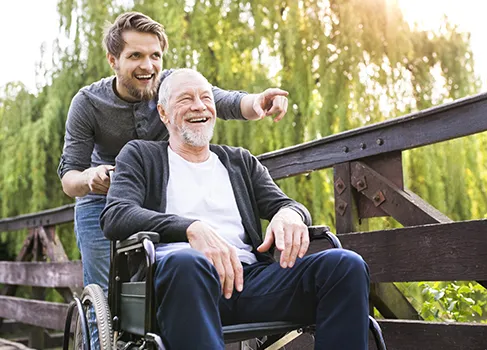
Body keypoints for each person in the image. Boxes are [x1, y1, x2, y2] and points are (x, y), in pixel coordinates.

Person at [100, 69, 370, 350]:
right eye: (186, 99)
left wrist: (290, 214)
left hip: (249, 282)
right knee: (187, 263)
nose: (199, 105)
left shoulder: (240, 161)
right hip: (180, 283)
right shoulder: (140, 156)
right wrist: (191, 228)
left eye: (206, 98)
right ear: (164, 113)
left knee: (345, 266)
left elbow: (285, 204)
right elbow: (116, 215)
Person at [57, 12, 290, 293]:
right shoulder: (87, 103)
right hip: (102, 201)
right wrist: (90, 178)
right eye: (135, 56)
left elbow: (224, 101)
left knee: (160, 281)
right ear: (112, 60)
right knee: (105, 293)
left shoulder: (172, 86)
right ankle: (103, 334)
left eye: (155, 55)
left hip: (156, 195)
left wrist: (259, 102)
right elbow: (69, 180)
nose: (148, 66)